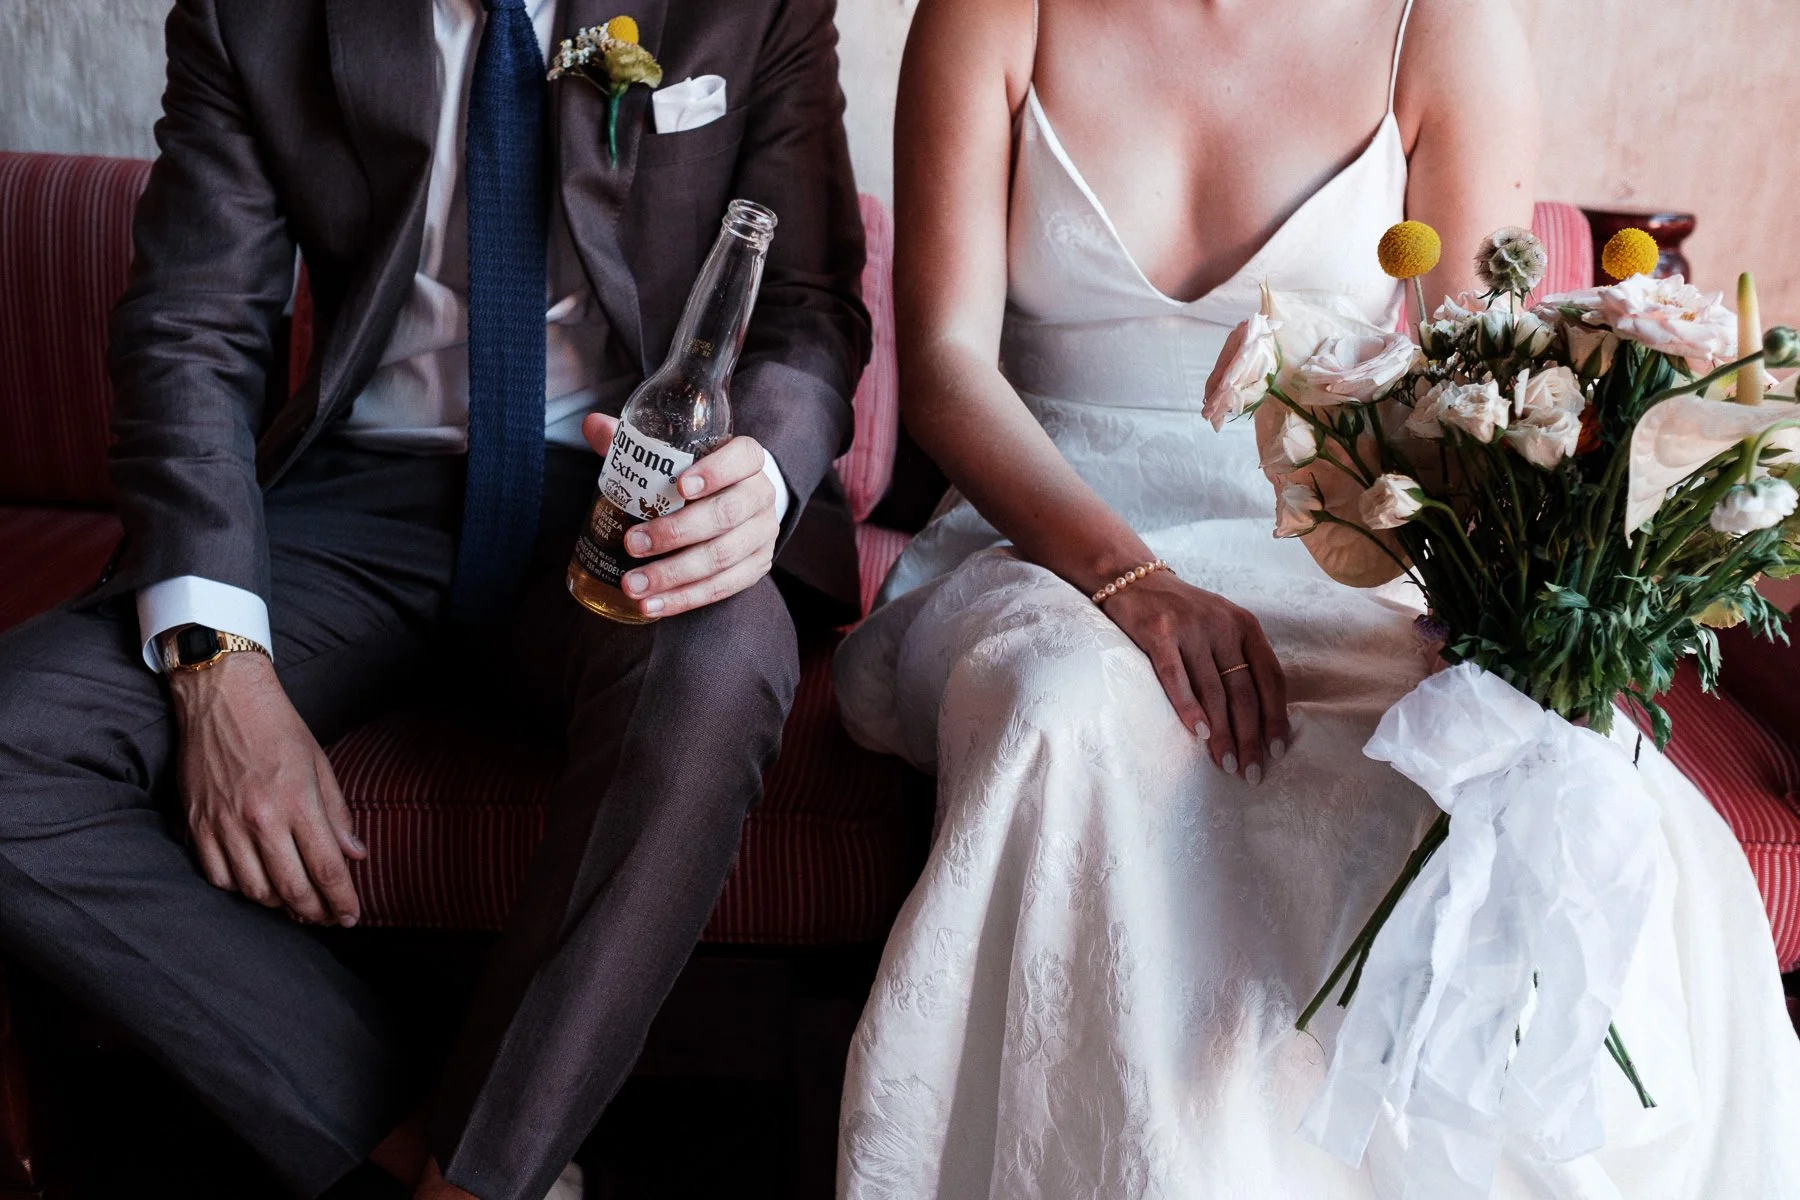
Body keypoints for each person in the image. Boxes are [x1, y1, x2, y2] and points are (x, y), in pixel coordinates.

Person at [834, 0, 1800, 1194]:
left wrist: (1499, 627)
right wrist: (1132, 582)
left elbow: (1479, 391)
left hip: (1329, 553)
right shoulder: (993, 12)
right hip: (1039, 537)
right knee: (1068, 710)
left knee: (1480, 769)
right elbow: (944, 363)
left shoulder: (1441, 26)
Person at [0, 1, 867, 1198]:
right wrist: (217, 661)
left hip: (622, 490)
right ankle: (425, 1147)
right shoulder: (253, 15)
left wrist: (757, 477)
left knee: (720, 660)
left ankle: (479, 1180)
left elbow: (812, 305)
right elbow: (192, 329)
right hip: (360, 499)